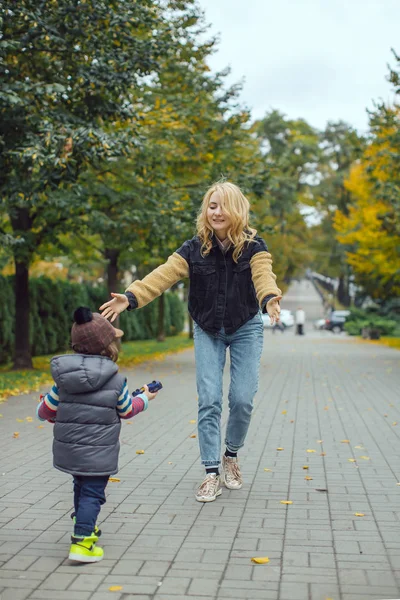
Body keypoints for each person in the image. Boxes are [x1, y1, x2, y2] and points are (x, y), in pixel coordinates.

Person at [100, 181, 281, 502]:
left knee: (242, 399)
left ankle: (231, 455)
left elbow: (263, 275)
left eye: (224, 205)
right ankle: (211, 472)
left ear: (237, 209)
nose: (217, 212)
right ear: (205, 210)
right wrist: (130, 297)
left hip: (245, 327)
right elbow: (163, 274)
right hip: (208, 328)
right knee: (209, 399)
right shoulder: (194, 248)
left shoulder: (254, 246)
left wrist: (269, 298)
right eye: (212, 205)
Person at [36, 307, 159, 562]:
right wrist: (144, 399)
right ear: (109, 346)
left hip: (70, 450)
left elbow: (44, 411)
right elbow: (126, 410)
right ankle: (82, 544)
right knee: (93, 492)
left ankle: (85, 525)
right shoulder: (116, 381)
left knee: (80, 486)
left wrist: (50, 410)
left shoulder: (63, 380)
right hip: (99, 452)